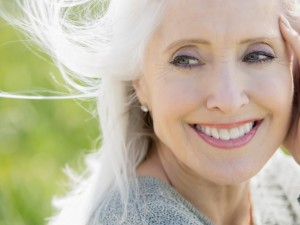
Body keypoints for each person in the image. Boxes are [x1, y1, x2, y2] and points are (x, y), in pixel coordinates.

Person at [1, 0, 300, 224]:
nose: (228, 99)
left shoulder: (278, 181)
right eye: (186, 60)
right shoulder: (144, 218)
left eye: (258, 55)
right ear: (139, 81)